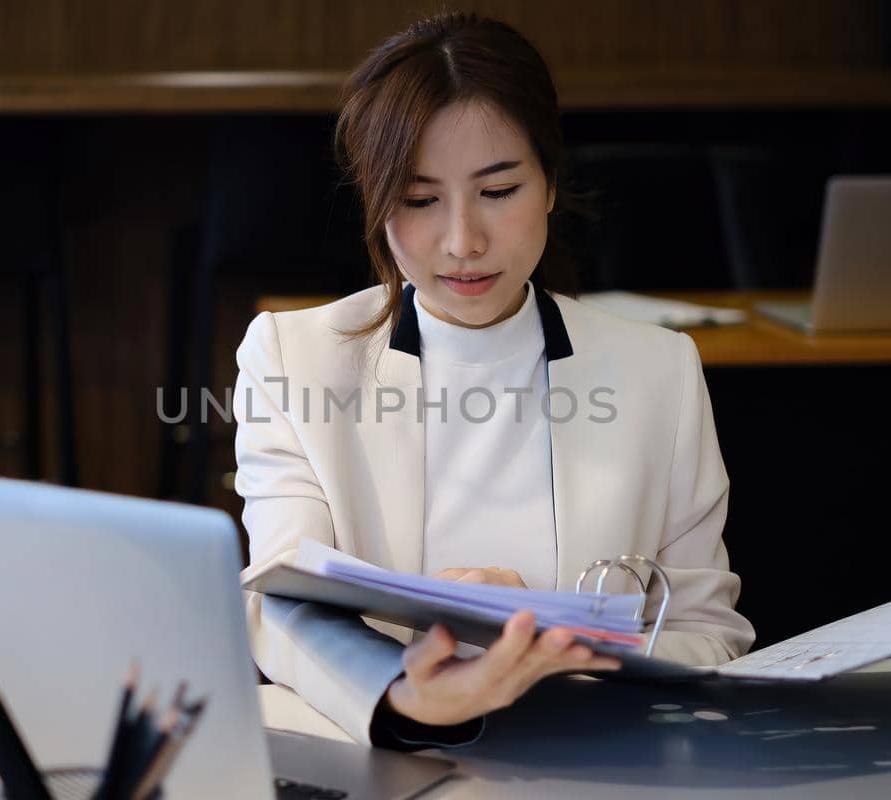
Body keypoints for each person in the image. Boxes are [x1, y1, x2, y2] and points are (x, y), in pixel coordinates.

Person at [232, 11, 754, 749]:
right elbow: (279, 608)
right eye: (419, 200)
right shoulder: (292, 358)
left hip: (592, 764)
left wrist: (561, 649)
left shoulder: (657, 369)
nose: (462, 241)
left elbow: (707, 632)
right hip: (382, 753)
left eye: (499, 190)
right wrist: (412, 695)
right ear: (377, 206)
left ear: (547, 184)